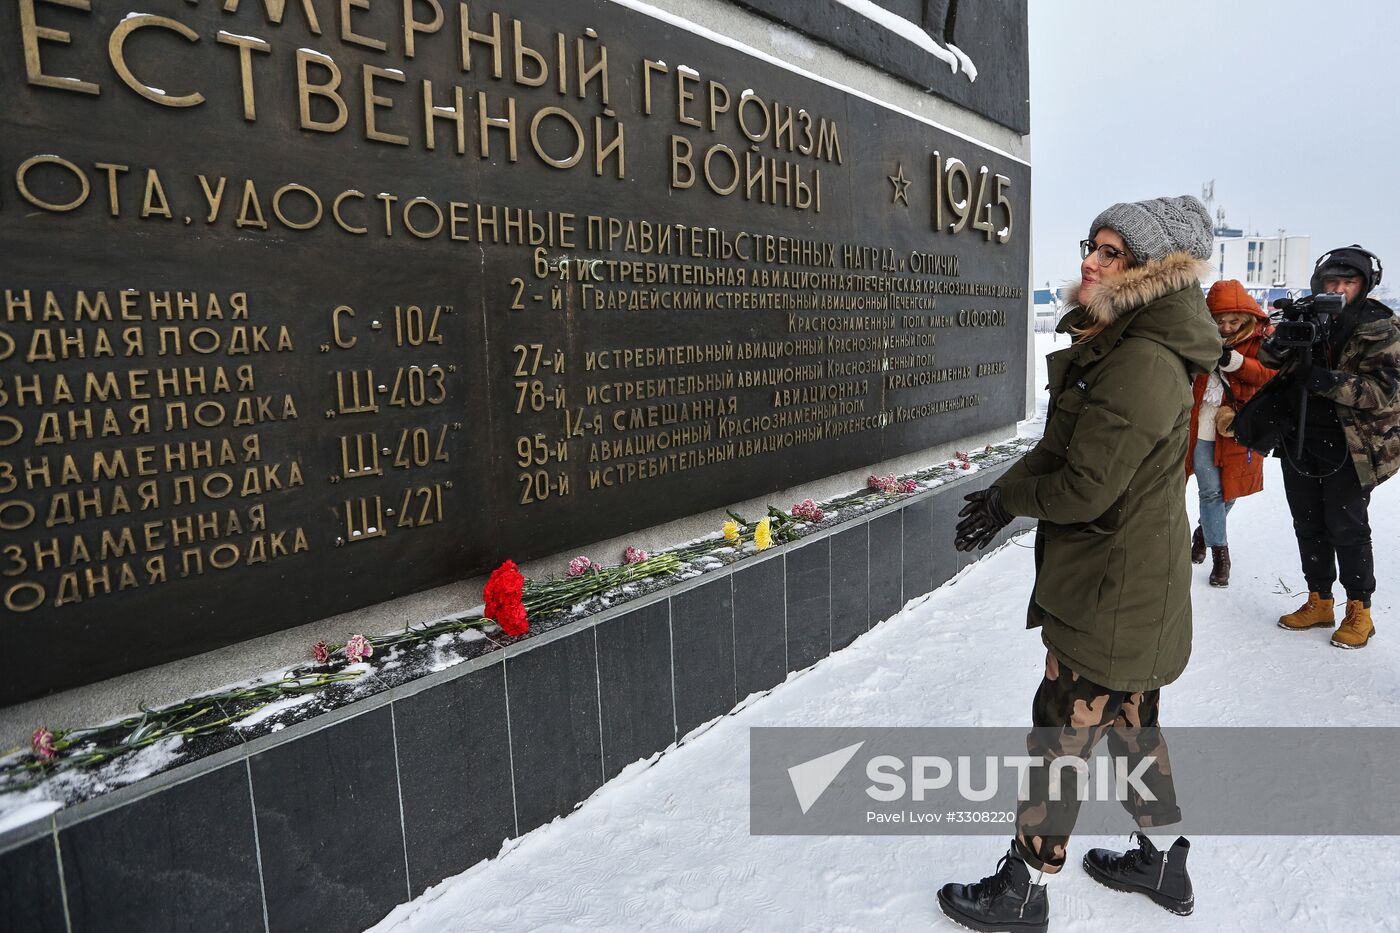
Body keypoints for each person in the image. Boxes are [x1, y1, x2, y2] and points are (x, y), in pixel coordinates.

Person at [941, 195, 1222, 931]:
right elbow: (1061, 448)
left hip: (1113, 586)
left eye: (1111, 252)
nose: (1091, 262)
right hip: (1131, 578)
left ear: (1151, 271)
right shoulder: (1121, 340)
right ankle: (1161, 860)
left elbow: (1084, 487)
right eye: (1090, 246)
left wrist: (1011, 502)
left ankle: (1022, 890)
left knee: (1061, 733)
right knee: (1133, 725)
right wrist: (1000, 494)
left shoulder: (1143, 360)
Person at [1267, 246, 1400, 648]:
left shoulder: (1381, 326)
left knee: (1347, 527)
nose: (1339, 289)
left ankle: (1360, 610)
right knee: (1307, 523)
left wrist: (1324, 380)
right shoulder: (1307, 314)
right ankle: (1319, 600)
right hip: (1300, 437)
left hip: (1352, 446)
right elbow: (1267, 358)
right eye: (1331, 281)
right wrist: (1288, 332)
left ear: (1365, 284)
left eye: (1348, 282)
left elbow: (1383, 392)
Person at [1185, 280, 1277, 587]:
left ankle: (1203, 532)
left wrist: (1235, 363)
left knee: (1230, 491)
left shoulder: (1261, 341)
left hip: (1240, 427)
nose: (1226, 328)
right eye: (1219, 321)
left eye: (1233, 321)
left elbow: (1268, 376)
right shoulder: (1196, 338)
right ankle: (1220, 556)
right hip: (1201, 423)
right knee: (1211, 492)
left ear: (1247, 318)